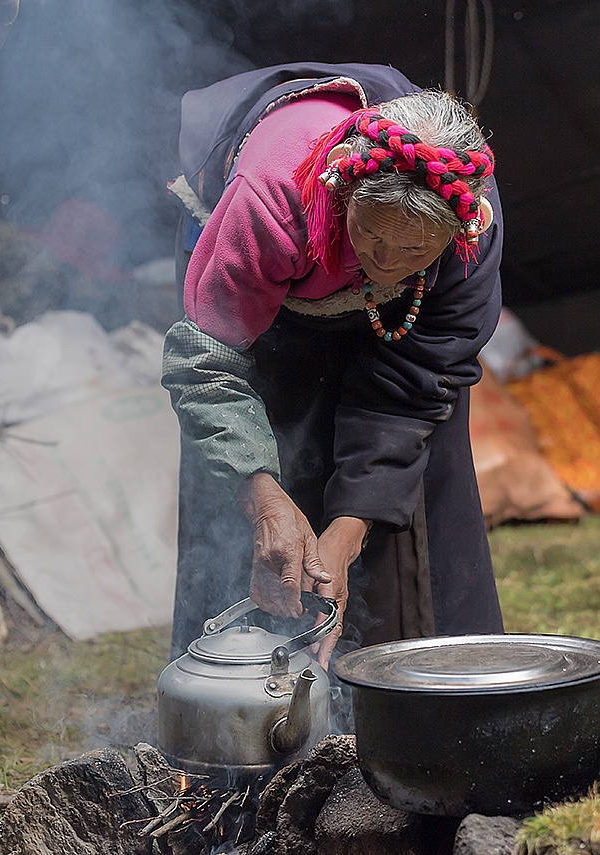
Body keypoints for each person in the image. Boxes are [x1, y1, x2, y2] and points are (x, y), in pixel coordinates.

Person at [162, 62, 504, 671]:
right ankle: (239, 697)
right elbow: (208, 362)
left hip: (402, 331)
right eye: (372, 237)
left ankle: (415, 690)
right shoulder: (275, 196)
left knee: (413, 481)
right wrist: (262, 500)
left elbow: (418, 384)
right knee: (261, 495)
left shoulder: (471, 223)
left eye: (413, 249)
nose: (386, 264)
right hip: (272, 306)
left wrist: (348, 530)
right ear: (343, 190)